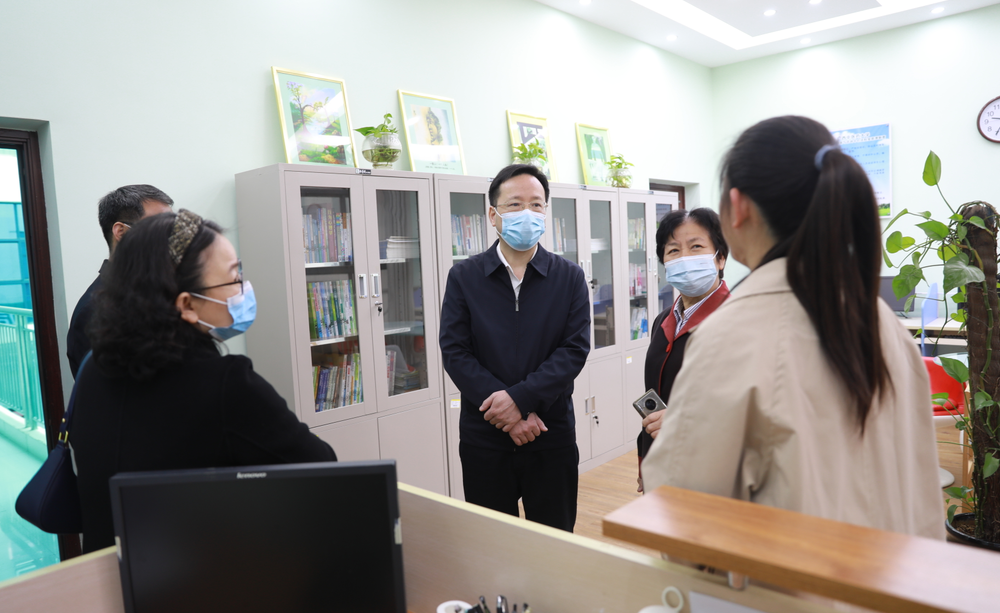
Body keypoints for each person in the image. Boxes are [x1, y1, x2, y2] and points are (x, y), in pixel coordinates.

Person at [642, 116, 945, 539]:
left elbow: (684, 513)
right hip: (895, 571)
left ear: (738, 207)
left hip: (788, 576)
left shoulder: (731, 335)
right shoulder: (884, 324)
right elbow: (923, 489)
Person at [71, 210, 337, 553]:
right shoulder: (227, 385)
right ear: (187, 304)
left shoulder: (93, 369)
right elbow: (322, 470)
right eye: (234, 277)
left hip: (108, 570)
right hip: (197, 573)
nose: (243, 289)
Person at [439, 164, 590, 532]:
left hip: (549, 433)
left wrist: (520, 401)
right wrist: (508, 412)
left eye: (536, 205)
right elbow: (455, 351)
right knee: (492, 542)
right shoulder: (465, 277)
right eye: (515, 204)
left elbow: (573, 350)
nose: (528, 212)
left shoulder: (569, 276)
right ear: (493, 215)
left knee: (554, 541)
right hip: (485, 437)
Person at [636, 208, 729, 493]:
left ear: (721, 258)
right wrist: (645, 462)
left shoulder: (738, 320)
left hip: (712, 474)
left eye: (696, 247)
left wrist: (683, 421)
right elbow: (654, 398)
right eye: (673, 250)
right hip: (662, 465)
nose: (685, 258)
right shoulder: (663, 320)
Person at [66, 185, 173, 378]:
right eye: (161, 227)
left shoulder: (160, 290)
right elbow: (107, 391)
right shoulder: (94, 310)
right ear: (121, 232)